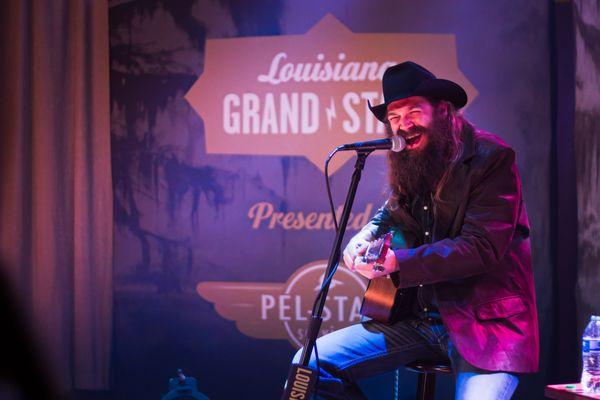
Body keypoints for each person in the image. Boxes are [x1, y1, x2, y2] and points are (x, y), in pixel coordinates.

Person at [293, 61, 539, 399]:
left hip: (484, 326)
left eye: (412, 112)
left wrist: (398, 263)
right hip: (419, 321)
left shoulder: (492, 158)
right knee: (309, 366)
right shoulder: (414, 158)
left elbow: (480, 247)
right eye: (393, 118)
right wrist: (365, 236)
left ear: (443, 111)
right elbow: (394, 209)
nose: (403, 125)